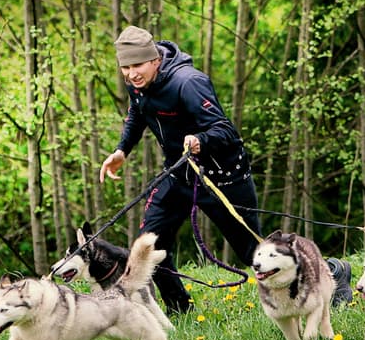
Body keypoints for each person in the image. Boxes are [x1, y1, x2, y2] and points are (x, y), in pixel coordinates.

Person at [101, 25, 351, 313]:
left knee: (255, 254)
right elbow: (137, 113)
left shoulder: (188, 82)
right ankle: (180, 309)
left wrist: (200, 139)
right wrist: (122, 150)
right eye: (126, 67)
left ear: (155, 59)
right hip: (179, 174)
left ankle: (332, 273)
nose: (132, 74)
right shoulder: (139, 85)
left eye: (138, 65)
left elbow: (225, 130)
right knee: (149, 248)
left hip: (222, 177)